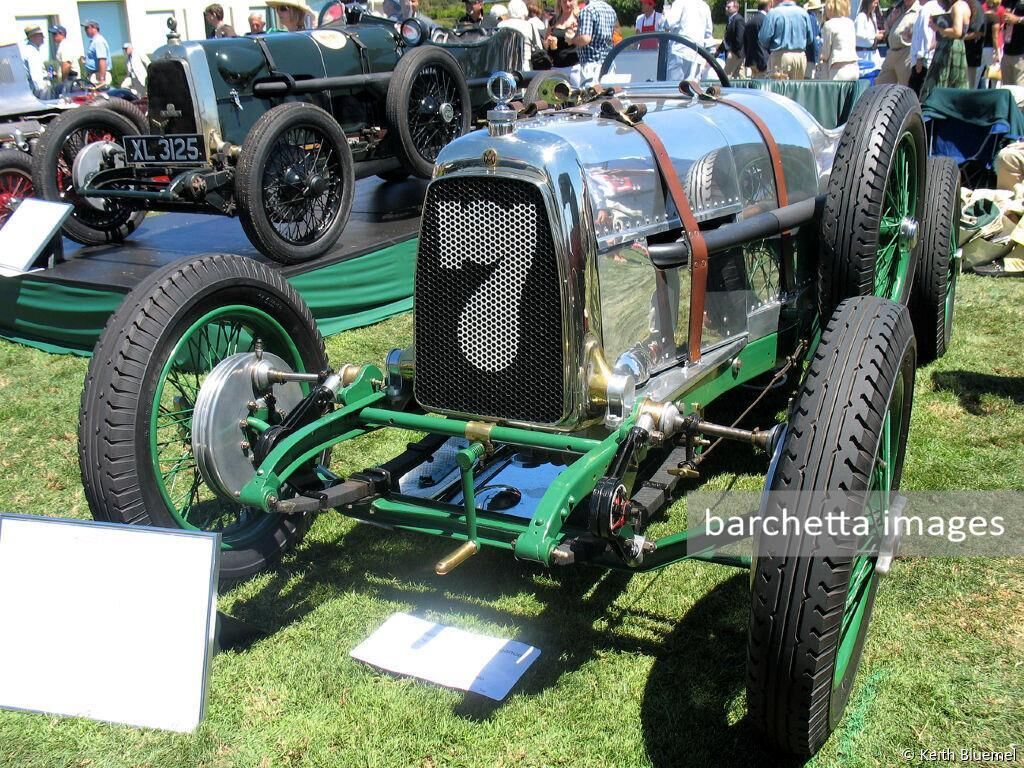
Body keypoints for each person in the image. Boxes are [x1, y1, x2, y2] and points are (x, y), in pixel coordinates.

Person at [920, 0, 971, 102]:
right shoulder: (961, 5)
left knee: (940, 83)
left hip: (950, 48)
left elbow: (957, 32)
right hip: (950, 46)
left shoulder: (958, 6)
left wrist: (937, 28)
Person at [759, 0, 815, 79]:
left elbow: (763, 38)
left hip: (780, 55)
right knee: (797, 89)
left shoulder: (773, 13)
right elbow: (810, 39)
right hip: (800, 56)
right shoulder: (803, 13)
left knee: (778, 90)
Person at [569, 0, 618, 83]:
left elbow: (585, 39)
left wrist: (571, 40)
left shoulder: (588, 10)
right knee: (607, 94)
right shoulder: (610, 10)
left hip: (591, 65)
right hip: (608, 64)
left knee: (591, 95)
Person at [664, 0, 714, 81]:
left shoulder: (680, 2)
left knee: (673, 88)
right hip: (697, 54)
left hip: (680, 52)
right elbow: (708, 34)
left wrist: (664, 16)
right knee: (693, 88)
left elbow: (668, 23)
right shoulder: (705, 6)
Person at [876, 0, 920, 84]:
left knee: (906, 87)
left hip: (906, 52)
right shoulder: (898, 7)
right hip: (891, 51)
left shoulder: (919, 9)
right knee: (880, 85)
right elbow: (886, 28)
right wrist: (892, 19)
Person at [821, 0, 861, 77]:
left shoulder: (828, 25)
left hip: (838, 69)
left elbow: (826, 53)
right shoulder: (850, 23)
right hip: (854, 67)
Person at [910, 0, 943, 90]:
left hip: (923, 61)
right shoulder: (938, 7)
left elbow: (924, 34)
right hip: (931, 57)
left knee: (917, 94)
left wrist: (920, 58)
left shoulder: (927, 9)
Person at [500, 0, 543, 64]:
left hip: (505, 63)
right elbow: (538, 47)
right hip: (526, 64)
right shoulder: (530, 26)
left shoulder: (501, 25)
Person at [546, 0, 580, 70]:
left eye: (570, 1)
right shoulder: (554, 21)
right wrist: (548, 42)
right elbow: (545, 42)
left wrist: (575, 35)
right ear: (560, 3)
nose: (567, 4)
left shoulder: (579, 20)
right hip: (556, 66)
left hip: (574, 67)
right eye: (564, 1)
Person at [20, 25, 49, 98]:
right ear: (33, 37)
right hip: (38, 93)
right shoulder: (32, 52)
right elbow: (36, 77)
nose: (43, 37)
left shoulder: (28, 50)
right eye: (41, 35)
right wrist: (43, 96)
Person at [855, 0, 885, 68]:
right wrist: (874, 36)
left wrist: (879, 32)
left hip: (873, 53)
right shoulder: (861, 16)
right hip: (863, 55)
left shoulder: (872, 16)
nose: (876, 5)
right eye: (875, 3)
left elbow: (872, 31)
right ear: (869, 3)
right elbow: (858, 33)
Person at [719, 0, 746, 76]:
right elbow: (727, 38)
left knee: (726, 76)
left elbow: (739, 39)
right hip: (733, 53)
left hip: (735, 53)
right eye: (726, 7)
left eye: (729, 7)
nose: (726, 9)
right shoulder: (731, 20)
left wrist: (733, 52)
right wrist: (719, 50)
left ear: (736, 8)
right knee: (737, 77)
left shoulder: (738, 20)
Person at [81, 20, 111, 87]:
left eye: (86, 28)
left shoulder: (98, 41)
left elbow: (102, 60)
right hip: (95, 75)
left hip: (98, 75)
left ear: (93, 28)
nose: (85, 31)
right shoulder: (94, 41)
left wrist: (101, 79)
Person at [745, 0, 771, 75]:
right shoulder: (766, 20)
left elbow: (745, 41)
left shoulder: (750, 20)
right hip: (763, 60)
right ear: (768, 7)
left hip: (751, 59)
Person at [805, 0, 823, 77]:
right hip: (811, 56)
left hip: (809, 55)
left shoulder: (809, 17)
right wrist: (816, 58)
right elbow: (814, 39)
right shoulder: (812, 18)